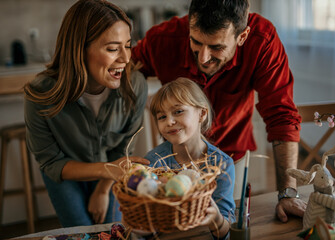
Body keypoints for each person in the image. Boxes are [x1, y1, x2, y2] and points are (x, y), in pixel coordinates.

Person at [131, 0, 306, 222]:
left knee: (226, 222)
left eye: (216, 47)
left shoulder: (263, 40)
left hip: (231, 160)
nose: (203, 57)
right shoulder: (162, 39)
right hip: (172, 164)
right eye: (196, 42)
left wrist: (287, 192)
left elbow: (282, 116)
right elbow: (124, 71)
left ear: (242, 37)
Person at [24, 0, 149, 227]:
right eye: (112, 48)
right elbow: (51, 162)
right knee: (80, 232)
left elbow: (123, 150)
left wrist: (103, 189)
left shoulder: (136, 85)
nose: (125, 58)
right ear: (79, 49)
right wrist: (107, 170)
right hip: (65, 176)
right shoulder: (40, 94)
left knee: (112, 231)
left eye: (128, 45)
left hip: (110, 174)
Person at [144, 77, 235, 239]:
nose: (170, 121)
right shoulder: (154, 161)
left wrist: (216, 219)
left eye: (178, 111)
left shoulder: (221, 164)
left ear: (202, 113)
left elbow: (226, 233)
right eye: (162, 117)